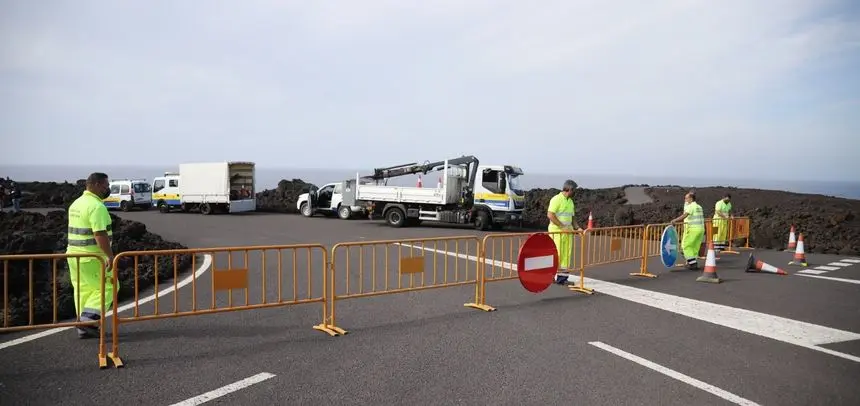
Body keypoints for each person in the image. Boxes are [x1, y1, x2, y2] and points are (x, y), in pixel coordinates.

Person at [66, 172, 116, 339]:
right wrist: (109, 255)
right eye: (105, 186)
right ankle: (87, 321)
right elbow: (100, 234)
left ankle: (83, 327)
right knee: (109, 286)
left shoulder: (76, 204)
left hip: (74, 255)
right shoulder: (96, 206)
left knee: (83, 290)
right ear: (95, 185)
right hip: (93, 257)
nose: (107, 189)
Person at [547, 179, 583, 284]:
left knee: (566, 255)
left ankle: (562, 279)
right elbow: (550, 215)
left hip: (567, 233)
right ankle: (550, 276)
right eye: (574, 190)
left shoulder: (570, 201)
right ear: (570, 189)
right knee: (556, 254)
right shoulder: (556, 199)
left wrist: (577, 227)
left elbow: (572, 217)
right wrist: (562, 227)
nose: (575, 192)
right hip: (557, 233)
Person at [671, 191, 705, 270]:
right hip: (701, 229)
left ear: (691, 198)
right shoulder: (699, 207)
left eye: (686, 198)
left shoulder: (691, 206)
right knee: (694, 247)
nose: (685, 199)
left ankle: (693, 264)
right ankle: (692, 262)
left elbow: (685, 215)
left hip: (693, 229)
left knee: (686, 246)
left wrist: (674, 220)